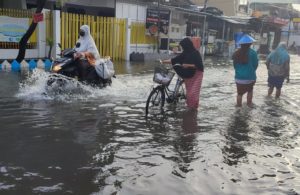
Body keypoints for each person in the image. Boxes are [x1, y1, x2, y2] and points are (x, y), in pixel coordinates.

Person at [162, 37, 204, 110]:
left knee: (193, 93)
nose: (182, 48)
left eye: (183, 46)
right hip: (188, 74)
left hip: (197, 74)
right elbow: (175, 60)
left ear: (187, 45)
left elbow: (199, 65)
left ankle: (194, 109)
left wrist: (188, 65)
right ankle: (190, 108)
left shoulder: (196, 53)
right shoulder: (185, 53)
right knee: (189, 93)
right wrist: (163, 61)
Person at [232, 34, 258, 107]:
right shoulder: (253, 53)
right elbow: (255, 65)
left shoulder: (236, 53)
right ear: (250, 44)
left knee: (239, 93)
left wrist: (239, 72)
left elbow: (234, 66)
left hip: (238, 78)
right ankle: (249, 104)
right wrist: (251, 71)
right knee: (250, 90)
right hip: (250, 78)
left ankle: (238, 106)